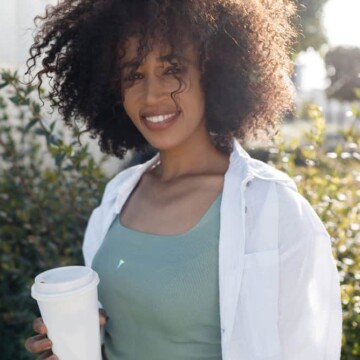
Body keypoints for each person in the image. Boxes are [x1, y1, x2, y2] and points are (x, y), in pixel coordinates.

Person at [24, 0, 342, 359]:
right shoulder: (118, 196)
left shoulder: (272, 207)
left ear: (215, 74)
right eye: (134, 75)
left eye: (172, 69)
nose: (152, 94)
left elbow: (309, 347)